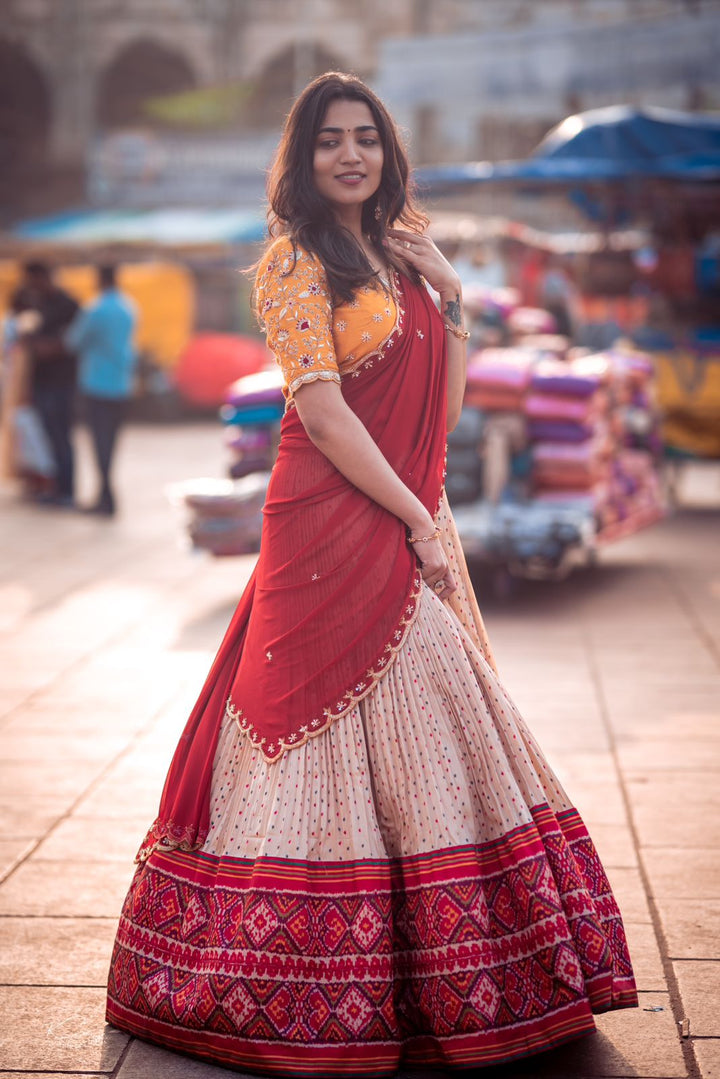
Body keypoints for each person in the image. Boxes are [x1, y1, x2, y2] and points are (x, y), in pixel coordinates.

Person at [106, 73, 636, 1075]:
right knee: (320, 722)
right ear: (301, 161)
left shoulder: (396, 257)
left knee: (438, 713)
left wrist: (454, 293)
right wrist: (417, 522)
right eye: (328, 142)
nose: (350, 155)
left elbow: (440, 404)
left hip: (397, 503)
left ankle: (452, 968)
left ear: (390, 154)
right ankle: (298, 980)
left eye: (367, 139)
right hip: (327, 522)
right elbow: (325, 412)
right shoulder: (293, 263)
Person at [66, 264, 137, 516]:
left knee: (99, 443)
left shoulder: (95, 309)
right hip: (121, 384)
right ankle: (106, 496)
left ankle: (105, 497)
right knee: (111, 442)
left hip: (97, 384)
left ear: (99, 280)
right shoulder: (127, 307)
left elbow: (73, 341)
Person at [11, 261, 79, 505]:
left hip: (61, 382)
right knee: (45, 438)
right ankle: (53, 488)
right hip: (40, 381)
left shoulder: (68, 305)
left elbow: (65, 345)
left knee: (61, 436)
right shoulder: (38, 305)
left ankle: (67, 491)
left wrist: (38, 346)